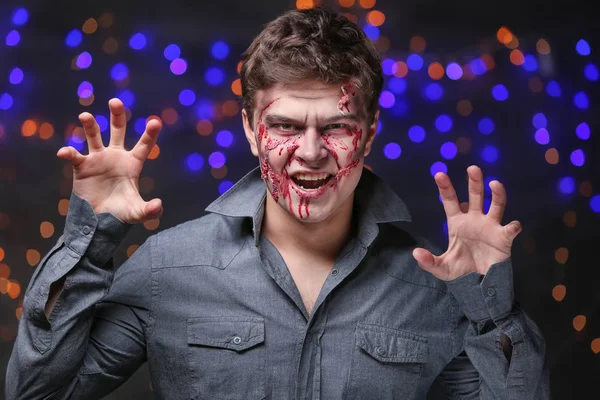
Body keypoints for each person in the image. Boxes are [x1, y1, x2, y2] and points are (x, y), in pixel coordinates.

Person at [6, 7, 548, 400]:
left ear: (370, 131)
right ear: (249, 128)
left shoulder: (435, 286)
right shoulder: (164, 271)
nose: (310, 153)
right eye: (285, 126)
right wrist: (90, 238)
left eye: (336, 126)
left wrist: (490, 309)